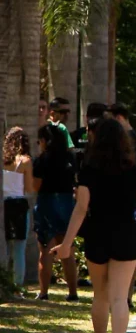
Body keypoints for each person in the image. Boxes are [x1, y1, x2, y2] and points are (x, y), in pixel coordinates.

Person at [52, 119, 136, 333]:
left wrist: (67, 244)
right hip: (125, 234)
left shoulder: (89, 170)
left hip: (97, 234)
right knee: (120, 298)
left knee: (100, 295)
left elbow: (81, 209)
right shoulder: (134, 170)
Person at [33, 124, 79, 300]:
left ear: (45, 141)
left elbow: (36, 186)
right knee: (67, 249)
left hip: (46, 202)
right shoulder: (70, 157)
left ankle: (44, 292)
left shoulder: (42, 160)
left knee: (45, 248)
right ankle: (73, 292)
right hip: (67, 202)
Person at [3, 128, 33, 286]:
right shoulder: (25, 161)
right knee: (19, 247)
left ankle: (4, 282)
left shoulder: (3, 160)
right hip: (19, 204)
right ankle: (17, 285)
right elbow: (29, 188)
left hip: (4, 204)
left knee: (5, 246)